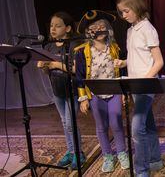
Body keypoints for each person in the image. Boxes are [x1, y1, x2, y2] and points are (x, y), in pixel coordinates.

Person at [115, 0, 164, 176]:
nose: (123, 15)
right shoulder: (130, 30)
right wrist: (124, 62)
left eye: (126, 11)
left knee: (136, 129)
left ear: (136, 7)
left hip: (145, 84)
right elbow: (137, 56)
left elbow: (159, 62)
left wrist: (145, 80)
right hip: (135, 84)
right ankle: (155, 160)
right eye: (121, 12)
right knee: (147, 123)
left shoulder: (148, 29)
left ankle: (142, 171)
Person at [74, 10, 129, 172]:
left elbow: (123, 72)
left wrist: (124, 93)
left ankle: (122, 153)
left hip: (114, 92)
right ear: (88, 32)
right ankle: (107, 156)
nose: (98, 30)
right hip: (95, 95)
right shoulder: (82, 52)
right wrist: (83, 98)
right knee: (101, 126)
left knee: (116, 123)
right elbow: (79, 76)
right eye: (93, 28)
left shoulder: (114, 47)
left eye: (101, 26)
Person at [36, 11, 85, 169]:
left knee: (71, 123)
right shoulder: (49, 46)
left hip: (72, 90)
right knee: (64, 123)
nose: (53, 29)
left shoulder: (74, 45)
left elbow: (76, 68)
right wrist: (44, 67)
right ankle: (71, 151)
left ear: (68, 28)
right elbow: (47, 70)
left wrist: (56, 65)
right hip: (57, 90)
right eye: (51, 25)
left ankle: (79, 153)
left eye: (58, 26)